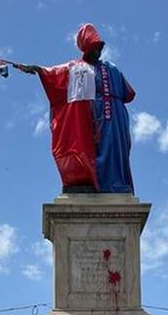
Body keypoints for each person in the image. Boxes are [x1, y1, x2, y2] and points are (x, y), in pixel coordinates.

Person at [19, 23, 136, 193]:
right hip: (88, 117)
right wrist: (37, 69)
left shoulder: (111, 68)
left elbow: (129, 94)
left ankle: (115, 184)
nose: (98, 51)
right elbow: (54, 73)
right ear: (86, 48)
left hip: (114, 116)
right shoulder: (75, 68)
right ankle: (89, 181)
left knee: (114, 150)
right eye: (94, 47)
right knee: (89, 147)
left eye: (99, 47)